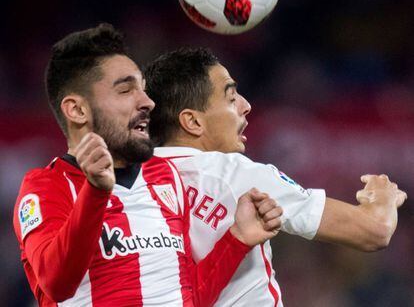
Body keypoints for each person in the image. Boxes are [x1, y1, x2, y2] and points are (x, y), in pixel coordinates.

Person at [13, 25, 283, 306]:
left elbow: (187, 297)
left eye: (142, 88)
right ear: (78, 110)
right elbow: (57, 283)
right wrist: (95, 193)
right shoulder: (48, 187)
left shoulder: (164, 176)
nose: (147, 102)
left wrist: (237, 239)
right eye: (126, 90)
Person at [143, 47, 408, 307]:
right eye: (231, 97)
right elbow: (373, 231)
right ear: (193, 122)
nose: (246, 106)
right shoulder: (234, 173)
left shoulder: (130, 185)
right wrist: (383, 198)